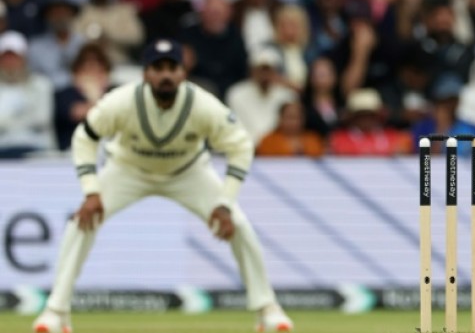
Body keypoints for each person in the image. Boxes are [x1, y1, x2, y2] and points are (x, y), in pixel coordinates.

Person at [31, 39, 293, 333]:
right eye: (158, 68)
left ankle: (268, 310)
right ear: (145, 73)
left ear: (183, 73)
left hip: (188, 172)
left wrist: (225, 203)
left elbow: (241, 146)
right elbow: (84, 137)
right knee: (81, 223)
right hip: (128, 169)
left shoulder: (202, 104)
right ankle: (55, 312)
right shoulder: (123, 100)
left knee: (240, 225)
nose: (165, 75)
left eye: (172, 67)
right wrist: (91, 191)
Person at [226, 47, 298, 144]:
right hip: (245, 147)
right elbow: (234, 126)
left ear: (275, 72)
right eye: (261, 70)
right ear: (252, 71)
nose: (264, 76)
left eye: (268, 70)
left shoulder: (288, 96)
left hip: (278, 150)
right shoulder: (236, 94)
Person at [0, 30, 55, 158]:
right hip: (3, 149)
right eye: (6, 58)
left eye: (15, 57)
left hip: (37, 148)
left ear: (24, 59)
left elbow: (42, 119)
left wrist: (7, 123)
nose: (11, 63)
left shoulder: (42, 84)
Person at [256, 101, 326, 157]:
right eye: (289, 117)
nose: (293, 122)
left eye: (297, 117)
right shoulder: (268, 141)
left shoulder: (313, 139)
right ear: (280, 119)